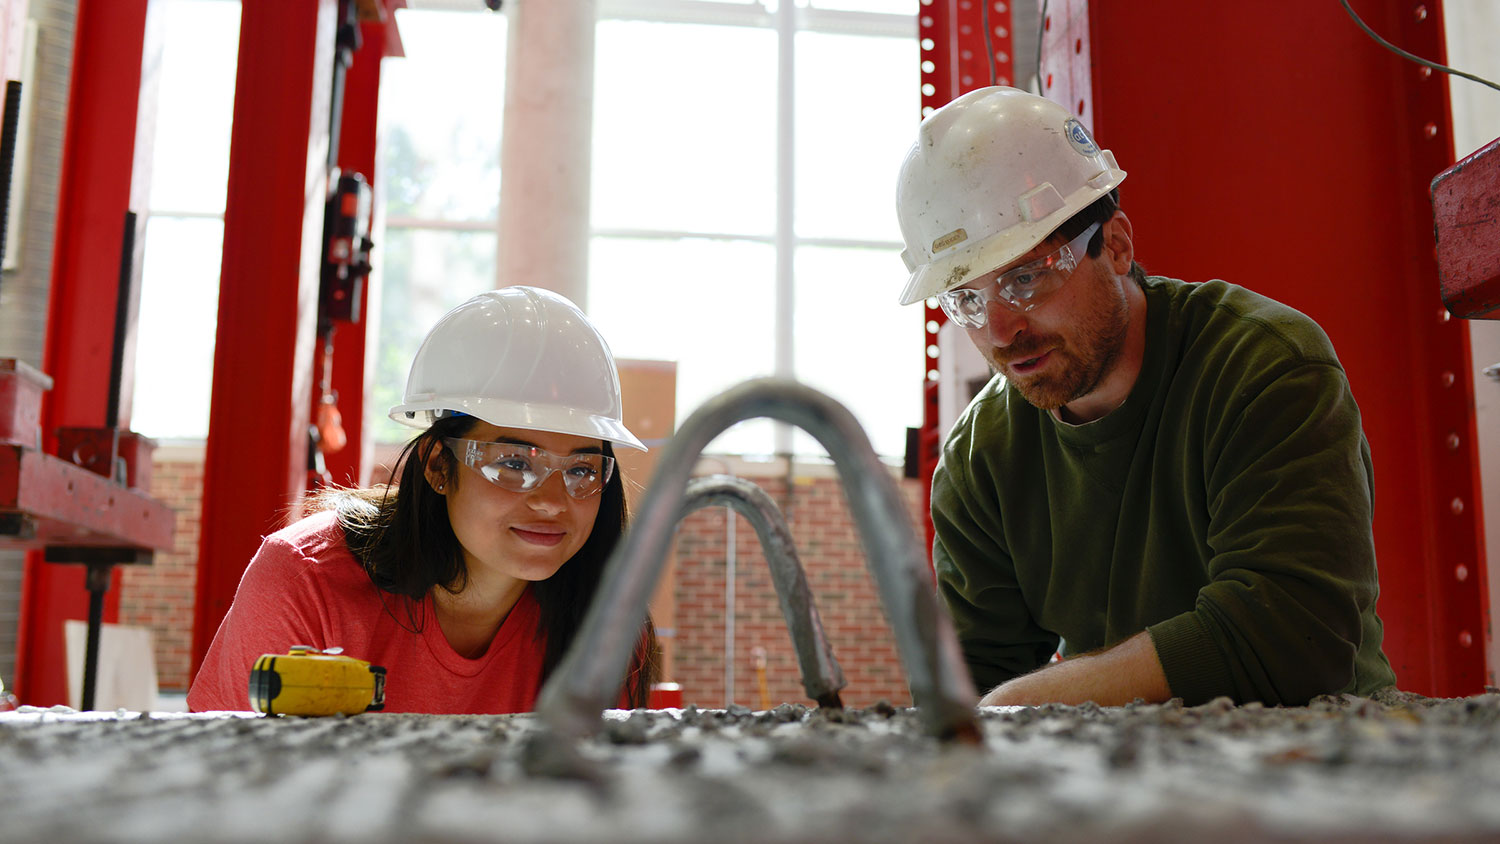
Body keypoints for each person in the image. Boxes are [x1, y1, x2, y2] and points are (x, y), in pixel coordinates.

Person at [896, 87, 1395, 708]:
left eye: (1024, 278)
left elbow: (1290, 638)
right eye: (967, 300)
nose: (999, 333)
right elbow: (969, 675)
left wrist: (1013, 706)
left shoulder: (1263, 367)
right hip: (1113, 778)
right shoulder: (982, 457)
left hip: (1326, 763)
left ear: (1119, 244)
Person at [188, 286, 657, 713]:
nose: (554, 501)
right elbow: (229, 788)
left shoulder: (602, 626)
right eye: (515, 464)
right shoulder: (306, 583)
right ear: (436, 464)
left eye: (580, 470)